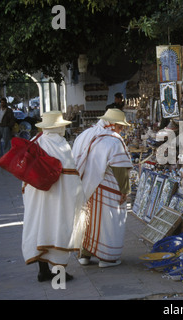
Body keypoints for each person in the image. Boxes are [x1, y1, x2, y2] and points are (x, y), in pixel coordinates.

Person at [21, 111, 88, 282]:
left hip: (37, 195)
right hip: (57, 196)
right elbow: (71, 176)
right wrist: (78, 195)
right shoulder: (61, 144)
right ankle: (59, 275)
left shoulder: (34, 142)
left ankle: (43, 271)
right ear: (58, 127)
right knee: (58, 228)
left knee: (40, 228)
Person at [72, 108, 132, 268]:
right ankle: (107, 258)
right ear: (112, 124)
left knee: (86, 221)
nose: (121, 130)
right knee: (107, 222)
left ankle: (84, 254)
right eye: (120, 126)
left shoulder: (85, 135)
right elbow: (120, 168)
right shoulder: (112, 140)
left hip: (84, 186)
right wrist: (125, 190)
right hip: (106, 188)